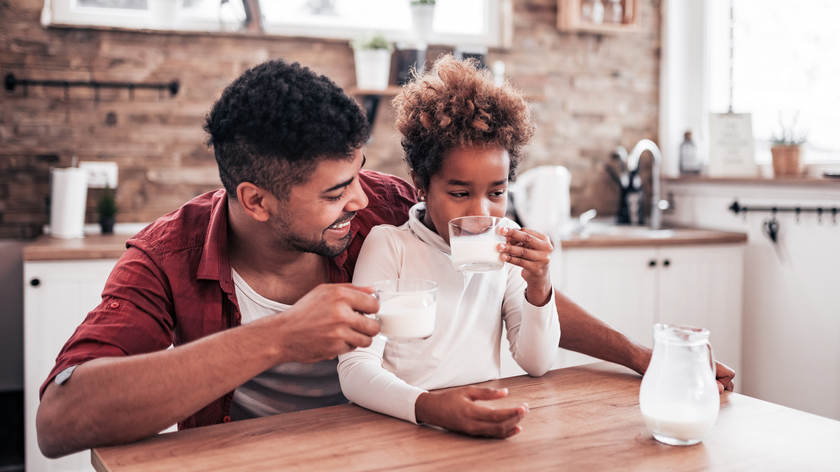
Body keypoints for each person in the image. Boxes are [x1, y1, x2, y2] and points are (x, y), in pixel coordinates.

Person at [36, 57, 734, 459]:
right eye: (335, 191)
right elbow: (61, 421)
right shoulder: (166, 257)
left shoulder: (386, 204)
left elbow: (504, 285)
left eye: (359, 176)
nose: (359, 200)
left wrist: (642, 357)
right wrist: (278, 336)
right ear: (255, 200)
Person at [338, 55, 560, 438]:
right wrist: (429, 408)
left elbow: (536, 362)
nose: (481, 212)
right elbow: (356, 370)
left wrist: (539, 285)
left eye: (497, 192)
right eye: (459, 193)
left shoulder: (506, 244)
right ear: (421, 185)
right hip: (401, 428)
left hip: (479, 425)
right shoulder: (391, 247)